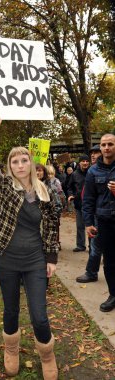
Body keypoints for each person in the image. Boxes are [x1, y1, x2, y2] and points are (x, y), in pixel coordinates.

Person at [0, 113, 58, 379]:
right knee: (11, 309)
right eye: (15, 160)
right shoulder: (4, 187)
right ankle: (11, 350)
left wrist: (51, 258)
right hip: (7, 260)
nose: (20, 163)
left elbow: (51, 228)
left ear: (32, 163)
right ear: (10, 166)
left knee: (39, 315)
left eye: (24, 159)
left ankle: (47, 355)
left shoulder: (45, 193)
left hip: (35, 261)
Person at [83, 134, 115, 312]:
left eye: (110, 144)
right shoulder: (93, 171)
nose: (106, 148)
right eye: (103, 145)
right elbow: (88, 199)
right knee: (109, 262)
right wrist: (88, 223)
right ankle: (113, 294)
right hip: (104, 223)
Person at [76, 145, 102, 283]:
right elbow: (87, 197)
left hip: (109, 214)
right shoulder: (92, 170)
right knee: (95, 245)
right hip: (96, 214)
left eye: (96, 152)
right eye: (92, 152)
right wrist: (88, 220)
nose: (93, 155)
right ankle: (92, 272)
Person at [67, 155, 90, 252]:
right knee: (80, 226)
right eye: (83, 161)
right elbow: (69, 187)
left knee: (92, 226)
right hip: (79, 204)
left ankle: (93, 247)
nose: (85, 163)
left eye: (86, 161)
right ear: (79, 162)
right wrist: (71, 195)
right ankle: (80, 245)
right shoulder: (74, 174)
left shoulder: (92, 172)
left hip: (91, 205)